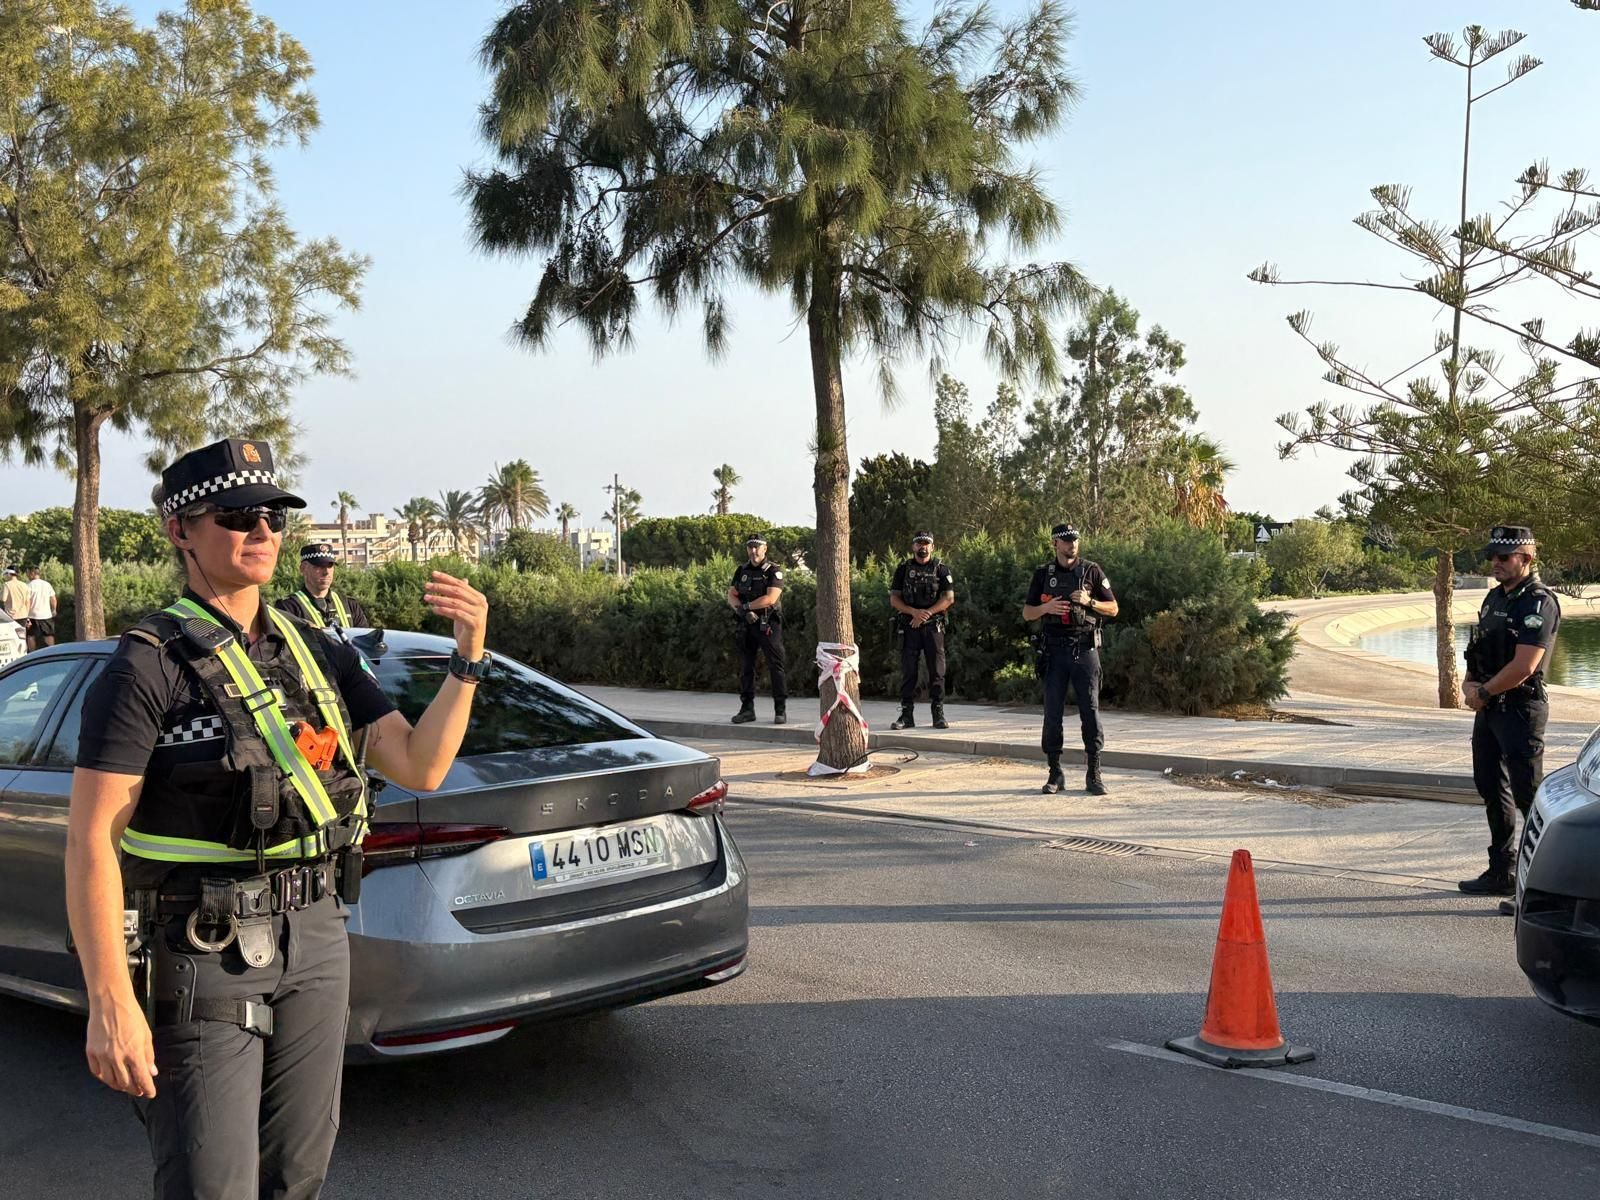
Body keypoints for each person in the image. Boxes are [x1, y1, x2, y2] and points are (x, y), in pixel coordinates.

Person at [63, 437, 490, 1199]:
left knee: (296, 1174)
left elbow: (420, 764)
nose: (262, 532)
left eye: (274, 517)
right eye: (237, 515)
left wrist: (467, 661)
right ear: (180, 530)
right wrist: (111, 1003)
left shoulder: (317, 647)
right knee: (213, 1184)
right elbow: (93, 840)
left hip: (319, 936)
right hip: (205, 948)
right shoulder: (145, 665)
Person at [1458, 525, 1559, 904]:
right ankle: (1502, 870)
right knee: (1489, 787)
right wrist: (1470, 685)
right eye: (1491, 557)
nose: (1495, 563)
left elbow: (1525, 665)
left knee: (1528, 796)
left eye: (1503, 557)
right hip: (1489, 709)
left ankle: (1541, 886)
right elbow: (1480, 650)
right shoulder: (1493, 599)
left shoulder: (1538, 602)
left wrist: (1482, 693)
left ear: (1526, 558)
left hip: (1519, 709)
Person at [1022, 524, 1119, 796]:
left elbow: (1113, 608)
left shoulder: (1091, 570)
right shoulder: (1043, 574)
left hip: (1085, 651)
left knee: (1090, 711)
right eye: (1066, 541)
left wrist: (1090, 602)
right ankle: (1055, 773)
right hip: (1054, 652)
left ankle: (1094, 773)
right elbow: (1027, 613)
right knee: (1052, 714)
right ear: (1055, 543)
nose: (1071, 545)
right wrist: (1046, 608)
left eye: (1074, 540)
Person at [888, 532, 956, 730]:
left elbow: (948, 598)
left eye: (926, 543)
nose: (922, 547)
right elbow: (894, 599)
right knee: (909, 671)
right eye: (919, 543)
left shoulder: (941, 570)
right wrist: (914, 613)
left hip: (933, 627)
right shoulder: (903, 569)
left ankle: (938, 714)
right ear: (913, 547)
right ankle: (906, 715)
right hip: (910, 627)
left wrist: (925, 614)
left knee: (937, 672)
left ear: (932, 547)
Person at [727, 534, 787, 725]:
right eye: (750, 547)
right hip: (746, 624)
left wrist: (745, 607)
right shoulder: (741, 570)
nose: (753, 551)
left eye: (757, 547)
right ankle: (747, 710)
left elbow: (770, 598)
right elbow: (731, 595)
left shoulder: (773, 571)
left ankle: (780, 710)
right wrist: (742, 611)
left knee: (775, 666)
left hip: (768, 623)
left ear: (765, 549)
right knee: (746, 668)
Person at [275, 541, 371, 630]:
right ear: (303, 568)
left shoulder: (350, 605)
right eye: (319, 566)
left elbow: (365, 642)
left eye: (330, 566)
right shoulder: (288, 607)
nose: (326, 572)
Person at [26, 565, 58, 651]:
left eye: (28, 573)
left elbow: (28, 601)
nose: (27, 575)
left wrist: (27, 615)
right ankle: (52, 653)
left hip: (33, 615)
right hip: (46, 615)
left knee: (31, 636)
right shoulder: (47, 584)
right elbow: (53, 598)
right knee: (48, 635)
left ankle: (32, 655)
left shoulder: (29, 586)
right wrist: (54, 610)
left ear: (32, 573)